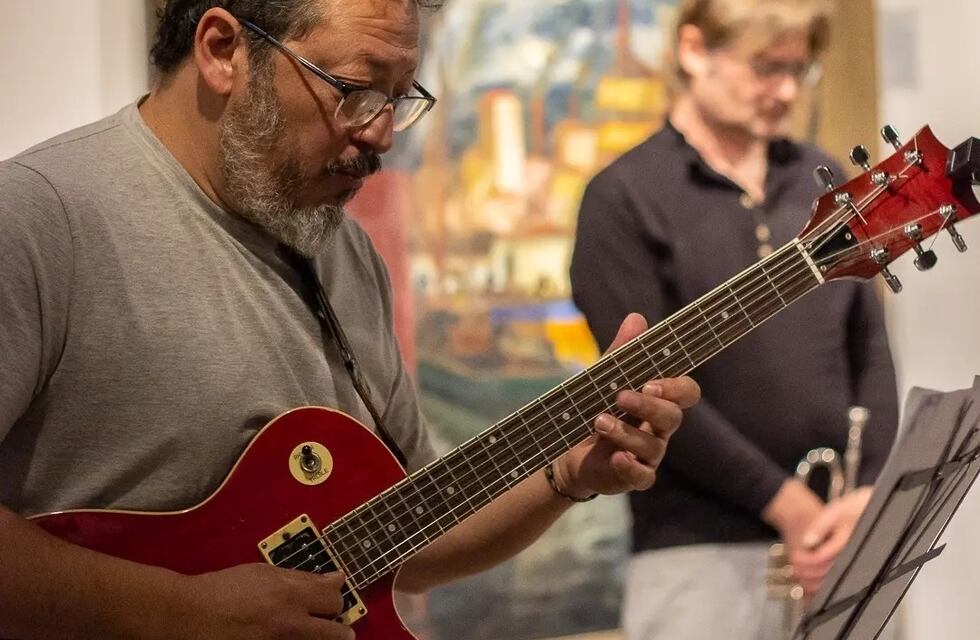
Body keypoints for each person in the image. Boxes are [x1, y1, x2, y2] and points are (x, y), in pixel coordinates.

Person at [0, 1, 701, 638]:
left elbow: (407, 540)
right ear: (222, 51)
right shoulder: (40, 221)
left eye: (401, 99)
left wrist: (570, 474)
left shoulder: (341, 251)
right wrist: (184, 613)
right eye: (355, 91)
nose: (383, 134)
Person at [570, 1, 899, 639]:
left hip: (844, 543)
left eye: (797, 70)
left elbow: (871, 346)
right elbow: (647, 387)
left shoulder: (821, 177)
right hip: (697, 553)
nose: (783, 90)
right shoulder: (623, 196)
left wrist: (868, 500)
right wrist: (789, 506)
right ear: (694, 51)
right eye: (764, 67)